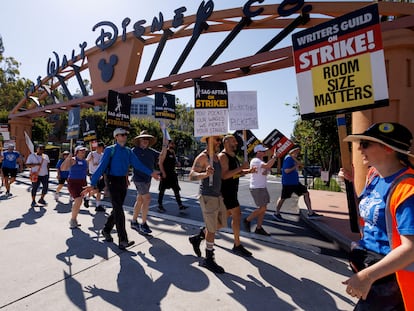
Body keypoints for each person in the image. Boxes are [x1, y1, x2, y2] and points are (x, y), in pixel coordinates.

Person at [340, 122, 414, 310]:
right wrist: (350, 183)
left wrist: (368, 276)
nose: (359, 148)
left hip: (391, 282)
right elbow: (368, 212)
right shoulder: (374, 175)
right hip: (374, 272)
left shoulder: (408, 190)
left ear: (388, 148)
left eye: (365, 143)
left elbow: (411, 249)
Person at [82, 128, 159, 250]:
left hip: (122, 181)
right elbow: (101, 167)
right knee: (119, 210)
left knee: (117, 209)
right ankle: (123, 240)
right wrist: (92, 183)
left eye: (126, 135)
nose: (125, 136)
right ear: (116, 137)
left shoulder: (128, 151)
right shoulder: (110, 150)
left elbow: (137, 164)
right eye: (122, 135)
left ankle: (106, 230)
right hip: (111, 180)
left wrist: (151, 173)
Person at [188, 135, 227, 274]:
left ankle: (197, 238)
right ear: (209, 141)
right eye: (217, 139)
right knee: (212, 229)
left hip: (217, 196)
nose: (219, 142)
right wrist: (204, 174)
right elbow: (191, 175)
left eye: (219, 139)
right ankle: (208, 259)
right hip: (207, 196)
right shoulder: (203, 157)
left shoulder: (216, 157)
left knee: (220, 224)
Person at [218, 134, 255, 257]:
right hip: (226, 192)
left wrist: (247, 171)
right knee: (237, 215)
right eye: (233, 141)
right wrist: (240, 168)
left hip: (232, 191)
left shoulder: (233, 156)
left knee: (222, 220)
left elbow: (234, 175)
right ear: (226, 142)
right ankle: (237, 245)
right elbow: (224, 176)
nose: (236, 143)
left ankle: (201, 235)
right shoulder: (223, 156)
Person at [273, 145, 322, 221]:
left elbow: (301, 164)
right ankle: (276, 213)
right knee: (283, 198)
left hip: (295, 183)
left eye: (298, 151)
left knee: (306, 193)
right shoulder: (288, 158)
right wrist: (295, 166)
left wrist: (296, 162)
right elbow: (286, 171)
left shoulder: (292, 158)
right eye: (296, 151)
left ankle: (310, 212)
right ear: (292, 151)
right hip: (288, 183)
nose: (298, 153)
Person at [243, 144, 277, 236]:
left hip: (262, 187)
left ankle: (259, 227)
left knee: (263, 209)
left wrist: (266, 171)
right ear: (258, 152)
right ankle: (247, 220)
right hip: (257, 188)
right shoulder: (255, 160)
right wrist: (274, 157)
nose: (265, 152)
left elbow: (265, 170)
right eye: (263, 151)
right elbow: (267, 166)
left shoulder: (260, 161)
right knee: (263, 208)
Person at [130, 130, 159, 235]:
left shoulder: (151, 151)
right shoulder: (134, 151)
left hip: (148, 179)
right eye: (143, 139)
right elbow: (132, 164)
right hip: (138, 179)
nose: (145, 141)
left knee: (140, 200)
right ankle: (144, 223)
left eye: (147, 139)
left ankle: (133, 221)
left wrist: (165, 145)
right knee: (147, 199)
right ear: (139, 140)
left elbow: (162, 156)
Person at [60, 146, 88, 229]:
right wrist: (68, 158)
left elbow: (86, 171)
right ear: (76, 152)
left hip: (82, 182)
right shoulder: (73, 160)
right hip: (73, 182)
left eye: (84, 150)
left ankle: (74, 219)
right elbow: (63, 168)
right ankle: (73, 220)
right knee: (78, 200)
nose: (83, 152)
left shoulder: (85, 161)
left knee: (79, 202)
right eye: (81, 150)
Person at [157, 140, 187, 213]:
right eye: (172, 143)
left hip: (172, 174)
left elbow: (175, 162)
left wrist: (178, 163)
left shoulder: (173, 153)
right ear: (168, 144)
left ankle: (180, 205)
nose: (173, 145)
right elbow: (160, 163)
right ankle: (159, 205)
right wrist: (163, 173)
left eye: (174, 144)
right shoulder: (164, 152)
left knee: (176, 189)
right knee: (162, 190)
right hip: (165, 173)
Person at [86, 142, 106, 212]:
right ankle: (87, 197)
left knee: (99, 190)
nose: (102, 149)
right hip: (93, 174)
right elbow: (87, 161)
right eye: (101, 148)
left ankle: (98, 205)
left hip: (101, 174)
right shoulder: (92, 153)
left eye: (102, 148)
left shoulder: (103, 155)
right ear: (98, 147)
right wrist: (90, 159)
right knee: (97, 189)